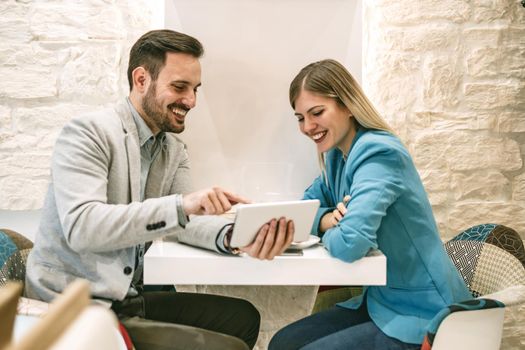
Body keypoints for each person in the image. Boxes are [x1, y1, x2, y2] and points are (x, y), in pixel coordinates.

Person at [25, 29, 294, 350]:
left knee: (244, 317)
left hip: (125, 298)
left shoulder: (172, 150)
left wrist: (236, 236)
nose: (191, 101)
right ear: (141, 80)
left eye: (195, 89)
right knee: (228, 347)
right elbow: (83, 228)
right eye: (180, 87)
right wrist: (181, 206)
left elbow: (186, 222)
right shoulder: (87, 134)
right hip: (74, 308)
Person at [268, 59, 471, 350]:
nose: (308, 126)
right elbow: (302, 211)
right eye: (300, 117)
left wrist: (331, 229)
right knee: (283, 342)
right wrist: (328, 220)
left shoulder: (378, 152)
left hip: (423, 312)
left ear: (348, 106)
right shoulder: (337, 155)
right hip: (381, 302)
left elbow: (351, 243)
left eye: (317, 113)